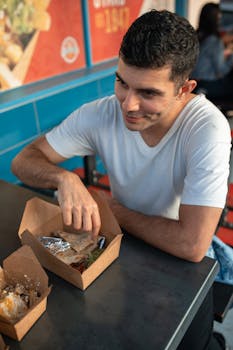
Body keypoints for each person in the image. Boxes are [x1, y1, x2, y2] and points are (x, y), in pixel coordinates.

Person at [11, 10, 231, 350]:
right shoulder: (100, 113)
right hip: (120, 253)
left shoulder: (207, 129)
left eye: (148, 93)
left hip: (185, 274)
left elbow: (192, 245)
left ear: (184, 90)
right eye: (122, 82)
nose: (128, 104)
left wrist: (111, 209)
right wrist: (64, 178)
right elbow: (22, 161)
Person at [191, 2, 233, 102]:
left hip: (195, 83)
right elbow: (221, 71)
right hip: (208, 86)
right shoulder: (214, 41)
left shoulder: (196, 36)